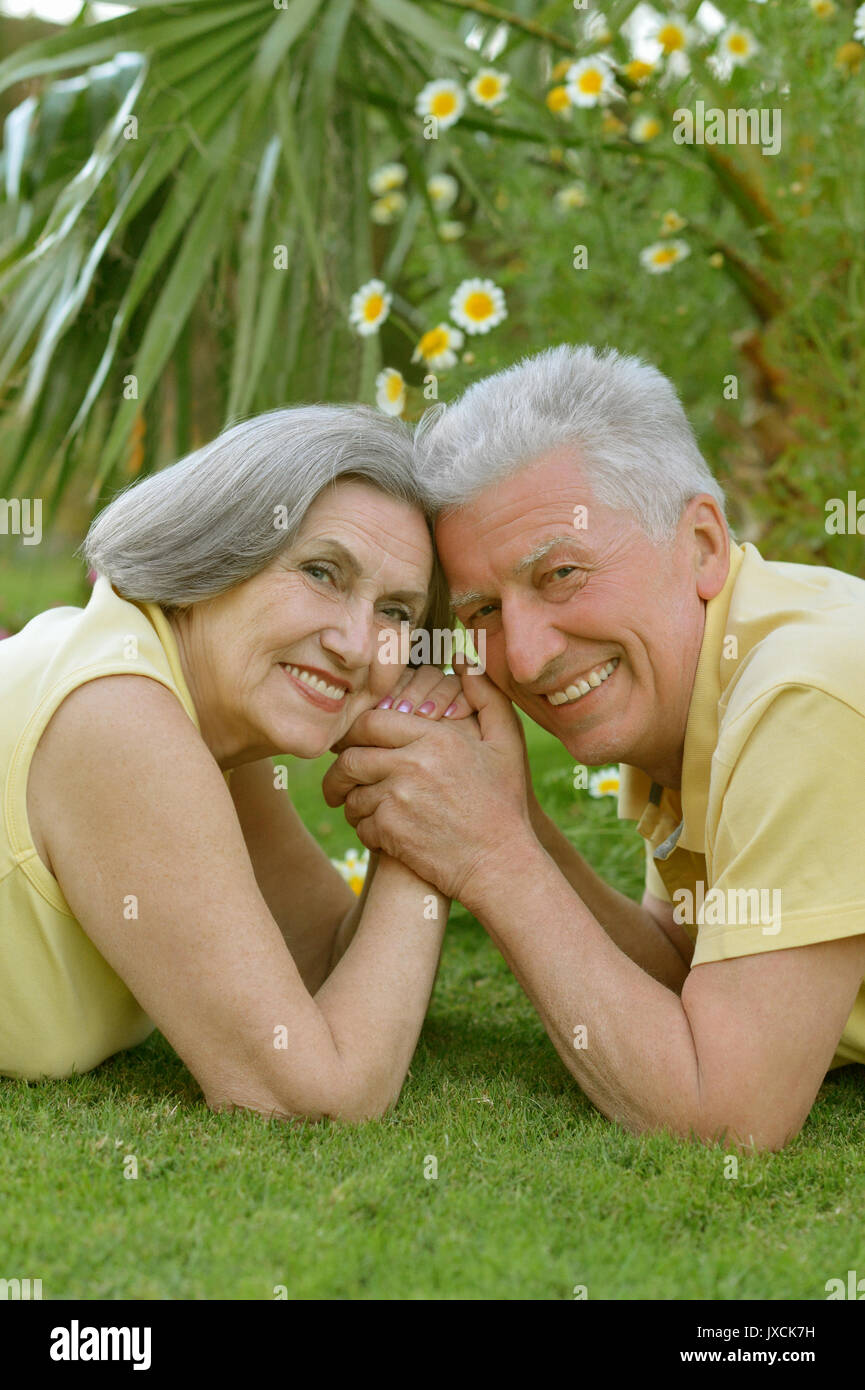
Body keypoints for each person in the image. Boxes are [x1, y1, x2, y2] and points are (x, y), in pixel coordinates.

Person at [325, 344, 865, 1151]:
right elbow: (680, 964)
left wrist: (493, 858)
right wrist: (514, 817)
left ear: (703, 545)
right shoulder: (698, 682)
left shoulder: (801, 696)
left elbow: (726, 1114)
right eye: (483, 613)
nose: (530, 655)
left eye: (562, 573)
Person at [0, 405, 468, 1122]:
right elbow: (309, 1097)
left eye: (397, 613)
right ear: (218, 548)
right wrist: (432, 821)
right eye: (321, 572)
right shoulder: (117, 714)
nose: (356, 644)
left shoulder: (197, 714)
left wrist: (425, 775)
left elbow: (323, 967)